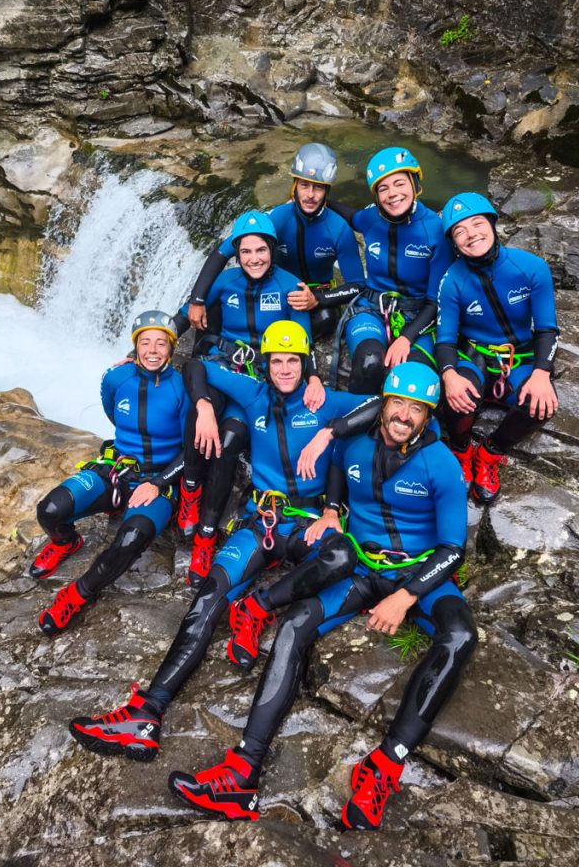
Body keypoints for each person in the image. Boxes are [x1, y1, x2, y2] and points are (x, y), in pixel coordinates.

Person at [165, 362, 477, 831]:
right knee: (293, 626)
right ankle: (243, 775)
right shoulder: (353, 441)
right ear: (383, 405)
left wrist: (407, 596)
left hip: (418, 571)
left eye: (417, 409)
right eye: (398, 404)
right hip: (361, 564)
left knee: (460, 636)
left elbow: (454, 549)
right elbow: (336, 467)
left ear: (428, 417)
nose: (405, 416)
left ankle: (384, 765)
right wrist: (332, 509)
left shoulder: (442, 465)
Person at [67, 321, 376, 760]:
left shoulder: (325, 400)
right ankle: (147, 712)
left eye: (293, 361)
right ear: (265, 364)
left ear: (305, 362)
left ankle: (258, 606)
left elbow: (389, 406)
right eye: (276, 361)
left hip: (307, 524)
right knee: (209, 594)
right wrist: (205, 410)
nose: (284, 369)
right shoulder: (252, 394)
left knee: (343, 555)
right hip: (261, 521)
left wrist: (332, 431)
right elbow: (195, 364)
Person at [175, 211, 324, 587]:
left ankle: (207, 534)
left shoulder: (291, 287)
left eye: (261, 250)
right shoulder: (224, 281)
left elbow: (302, 343)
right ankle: (190, 489)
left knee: (229, 440)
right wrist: (154, 343)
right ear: (236, 255)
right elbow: (185, 314)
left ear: (272, 250)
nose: (254, 258)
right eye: (246, 251)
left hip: (259, 377)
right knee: (199, 411)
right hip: (224, 365)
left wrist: (314, 378)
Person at [28, 312, 189, 634]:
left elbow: (192, 450)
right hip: (115, 468)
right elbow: (112, 411)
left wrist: (159, 483)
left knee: (130, 539)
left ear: (171, 348)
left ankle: (77, 594)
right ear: (135, 347)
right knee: (49, 510)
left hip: (157, 480)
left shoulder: (182, 389)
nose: (153, 350)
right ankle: (66, 542)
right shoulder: (116, 378)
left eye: (161, 343)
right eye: (145, 343)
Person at [435, 192, 560, 503]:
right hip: (475, 354)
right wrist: (449, 374)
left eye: (477, 223)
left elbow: (547, 329)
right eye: (460, 231)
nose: (471, 234)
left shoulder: (531, 268)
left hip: (520, 355)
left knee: (540, 403)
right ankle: (461, 450)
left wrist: (542, 373)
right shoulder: (452, 280)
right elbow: (446, 340)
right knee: (456, 396)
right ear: (454, 242)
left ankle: (490, 454)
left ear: (492, 224)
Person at [186, 142, 365, 342]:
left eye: (319, 188)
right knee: (215, 303)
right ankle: (206, 355)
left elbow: (357, 285)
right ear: (294, 186)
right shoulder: (278, 218)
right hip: (272, 288)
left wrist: (318, 299)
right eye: (304, 185)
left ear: (327, 191)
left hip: (315, 294)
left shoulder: (338, 228)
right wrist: (197, 299)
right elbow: (222, 252)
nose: (310, 195)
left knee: (325, 319)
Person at [325, 147, 455, 394]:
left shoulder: (436, 231)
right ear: (376, 196)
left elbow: (435, 301)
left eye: (399, 184)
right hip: (372, 309)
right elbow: (352, 216)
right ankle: (359, 425)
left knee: (413, 379)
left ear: (414, 184)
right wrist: (321, 200)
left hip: (419, 317)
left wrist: (406, 338)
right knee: (369, 361)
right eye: (383, 188)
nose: (392, 194)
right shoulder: (372, 218)